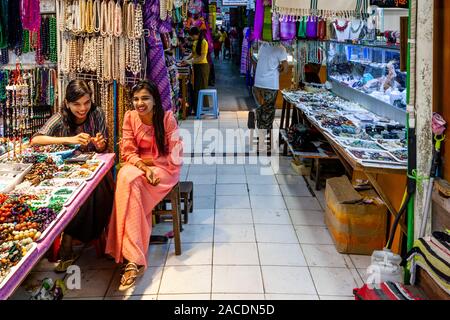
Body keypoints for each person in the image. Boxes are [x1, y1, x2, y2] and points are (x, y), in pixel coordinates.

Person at [105, 80, 183, 290]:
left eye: (145, 98)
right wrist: (143, 166)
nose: (140, 103)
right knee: (125, 178)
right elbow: (128, 152)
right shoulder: (130, 117)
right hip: (140, 166)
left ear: (155, 100)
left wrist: (151, 165)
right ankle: (133, 257)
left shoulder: (167, 119)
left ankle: (132, 258)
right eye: (136, 99)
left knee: (133, 184)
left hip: (165, 169)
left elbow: (175, 155)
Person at [31, 79, 114, 272]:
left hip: (95, 172)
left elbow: (103, 145)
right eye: (77, 104)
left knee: (94, 190)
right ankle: (68, 238)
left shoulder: (97, 113)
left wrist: (100, 144)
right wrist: (70, 140)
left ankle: (68, 237)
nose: (83, 108)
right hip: (66, 173)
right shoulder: (60, 118)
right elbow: (35, 140)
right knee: (76, 193)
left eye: (86, 102)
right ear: (67, 103)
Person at [252, 42, 288, 130]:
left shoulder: (263, 46)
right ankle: (263, 134)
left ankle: (257, 117)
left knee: (263, 107)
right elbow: (286, 69)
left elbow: (260, 61)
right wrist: (278, 71)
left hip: (258, 84)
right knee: (268, 111)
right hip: (270, 85)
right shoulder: (281, 48)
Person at [182, 26, 209, 116]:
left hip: (202, 67)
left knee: (201, 88)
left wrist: (190, 61)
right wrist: (186, 59)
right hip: (196, 67)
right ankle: (197, 109)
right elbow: (193, 54)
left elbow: (202, 57)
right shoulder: (195, 42)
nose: (192, 38)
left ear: (197, 34)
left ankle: (202, 109)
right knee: (196, 88)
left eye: (193, 36)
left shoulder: (204, 42)